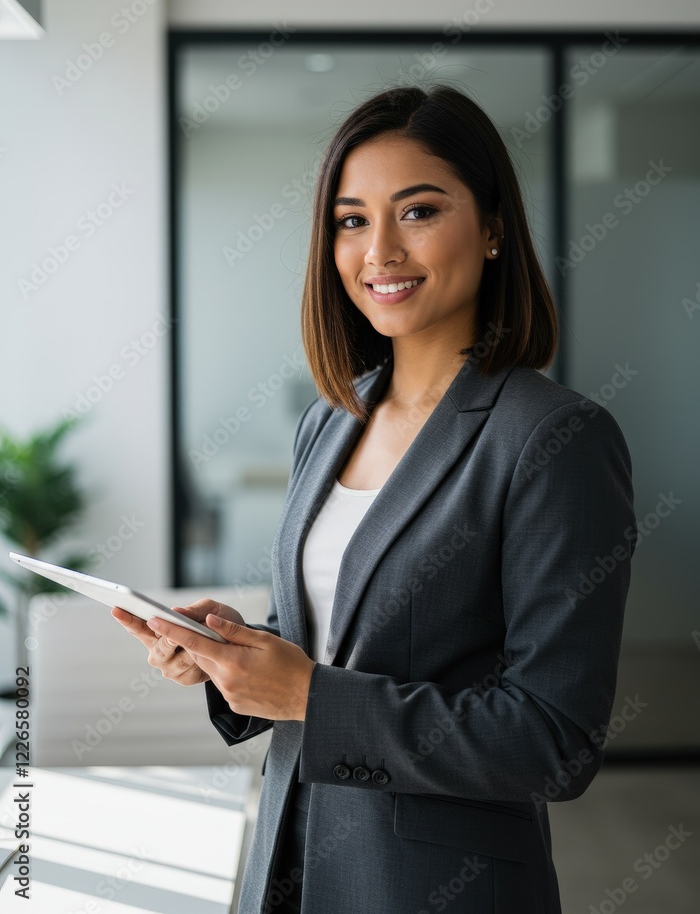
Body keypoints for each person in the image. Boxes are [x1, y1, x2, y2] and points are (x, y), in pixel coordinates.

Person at [112, 83, 637, 914]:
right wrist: (235, 651)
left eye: (418, 211)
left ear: (495, 228)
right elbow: (348, 631)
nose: (379, 250)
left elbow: (553, 741)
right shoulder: (332, 420)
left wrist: (310, 698)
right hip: (289, 859)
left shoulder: (553, 438)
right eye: (352, 220)